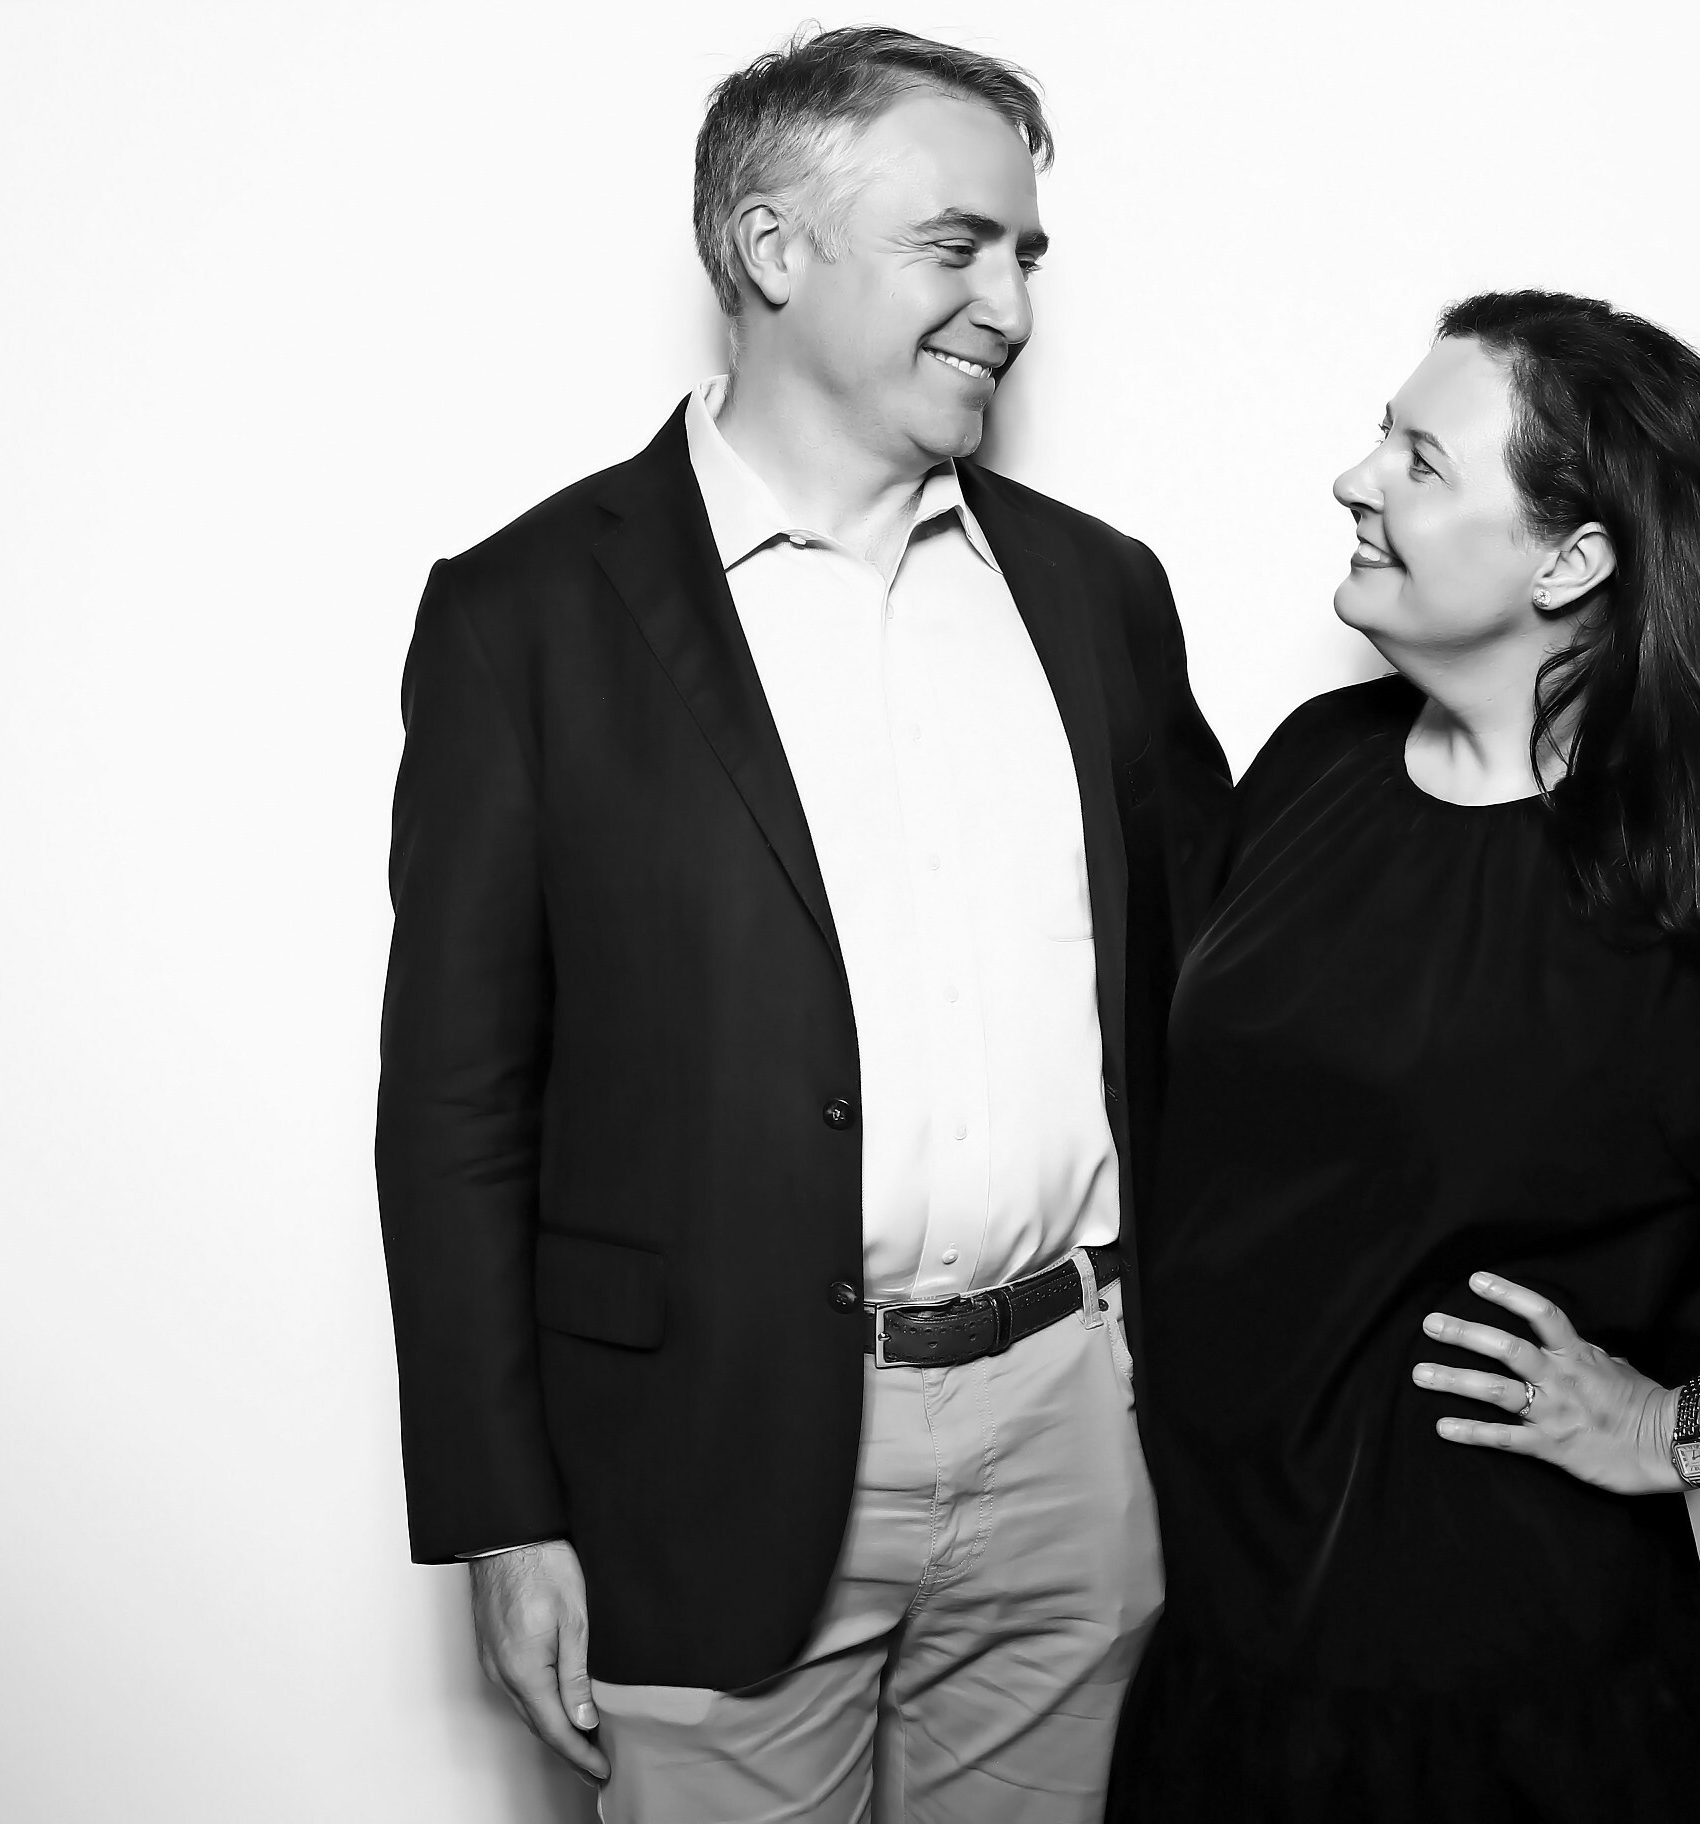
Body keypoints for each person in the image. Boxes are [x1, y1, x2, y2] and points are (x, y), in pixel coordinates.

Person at [373, 26, 1227, 1821]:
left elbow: (1204, 1005)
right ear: (772, 248)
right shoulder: (526, 618)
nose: (1011, 304)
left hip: (1074, 1438)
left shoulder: (1098, 594)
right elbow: (455, 1103)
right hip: (702, 1457)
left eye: (1026, 254)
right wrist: (502, 1514)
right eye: (957, 245)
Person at [1107, 292, 1700, 1822]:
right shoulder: (1313, 767)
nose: (1355, 478)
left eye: (1420, 459)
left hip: (1506, 1716)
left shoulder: (1696, 881)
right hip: (1228, 1666)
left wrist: (1673, 1433)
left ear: (1572, 559)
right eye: (1381, 438)